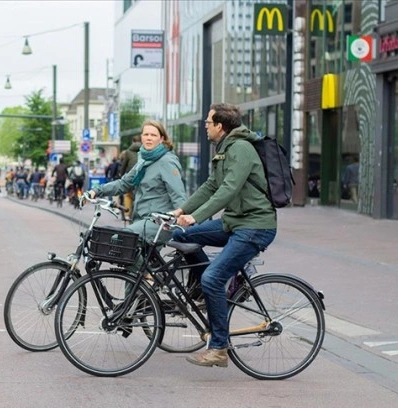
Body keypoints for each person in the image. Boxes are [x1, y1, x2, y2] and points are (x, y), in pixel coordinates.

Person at [170, 103, 277, 368]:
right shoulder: (225, 149)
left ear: (220, 126)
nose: (205, 126)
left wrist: (196, 216)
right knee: (182, 235)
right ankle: (206, 292)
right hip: (235, 222)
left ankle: (219, 348)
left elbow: (228, 190)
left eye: (208, 122)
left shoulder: (240, 149)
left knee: (213, 277)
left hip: (255, 226)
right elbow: (210, 186)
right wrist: (182, 210)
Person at [86, 119, 187, 252]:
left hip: (159, 222)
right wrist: (96, 191)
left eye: (153, 135)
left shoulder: (166, 161)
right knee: (129, 256)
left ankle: (146, 268)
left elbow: (178, 195)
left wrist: (182, 220)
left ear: (162, 139)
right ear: (141, 137)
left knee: (120, 240)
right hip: (141, 219)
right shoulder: (143, 160)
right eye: (146, 134)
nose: (149, 138)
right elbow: (124, 183)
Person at [119, 134, 142, 220]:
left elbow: (124, 166)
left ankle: (127, 214)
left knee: (128, 195)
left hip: (130, 176)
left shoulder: (128, 152)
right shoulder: (145, 150)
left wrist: (121, 176)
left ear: (133, 142)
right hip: (141, 177)